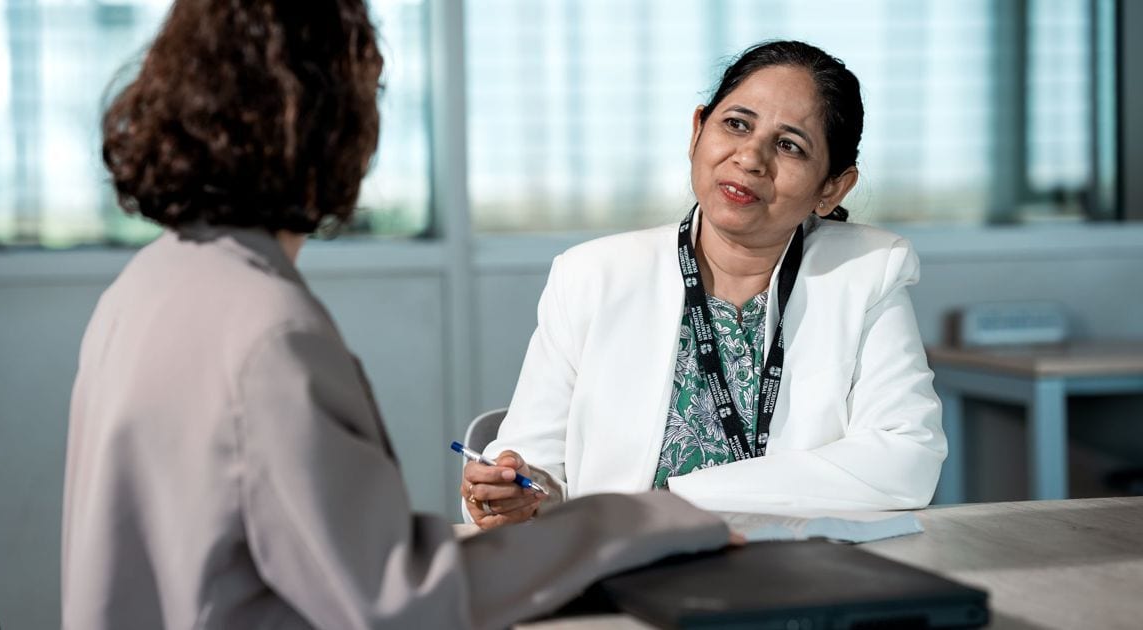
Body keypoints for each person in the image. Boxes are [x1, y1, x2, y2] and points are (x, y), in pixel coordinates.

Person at [60, 1, 733, 628]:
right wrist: (637, 521)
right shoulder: (269, 334)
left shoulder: (146, 285)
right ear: (328, 118)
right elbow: (402, 601)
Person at [463, 40, 946, 529]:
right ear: (697, 132)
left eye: (789, 145)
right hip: (629, 570)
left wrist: (679, 499)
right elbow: (534, 469)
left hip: (798, 574)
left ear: (832, 188)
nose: (751, 158)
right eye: (736, 124)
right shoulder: (590, 276)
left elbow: (907, 459)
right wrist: (515, 493)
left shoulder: (867, 273)